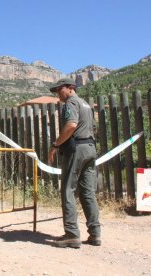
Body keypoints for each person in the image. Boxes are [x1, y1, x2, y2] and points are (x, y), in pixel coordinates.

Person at [48, 78, 101, 249]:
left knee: (67, 190)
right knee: (88, 192)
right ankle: (95, 234)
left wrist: (56, 144)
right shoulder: (85, 104)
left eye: (59, 89)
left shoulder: (71, 102)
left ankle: (71, 234)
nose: (58, 93)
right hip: (90, 148)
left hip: (77, 149)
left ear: (70, 88)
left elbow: (71, 125)